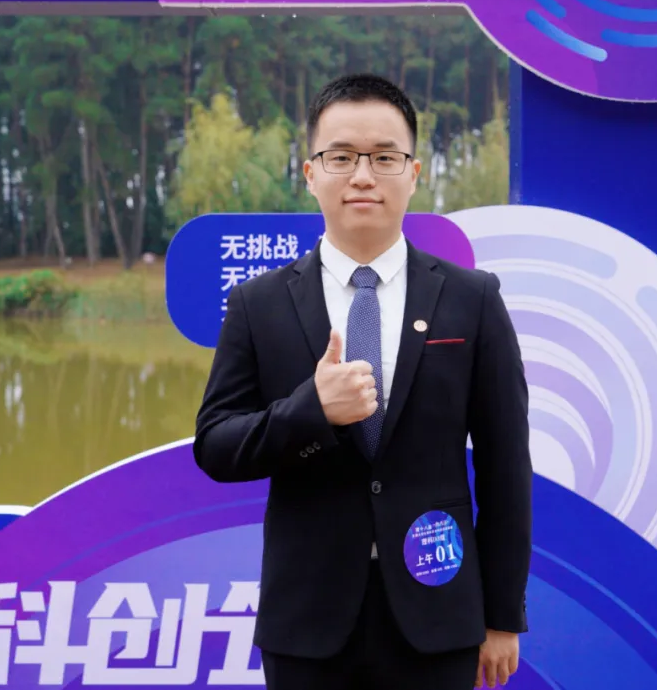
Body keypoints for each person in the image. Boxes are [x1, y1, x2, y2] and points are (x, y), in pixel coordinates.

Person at [193, 73, 532, 690]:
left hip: (438, 611)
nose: (363, 176)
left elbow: (506, 467)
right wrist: (311, 410)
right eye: (342, 156)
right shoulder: (257, 304)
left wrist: (502, 614)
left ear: (414, 172)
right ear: (310, 173)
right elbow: (215, 446)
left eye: (384, 157)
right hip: (308, 619)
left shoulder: (472, 299)